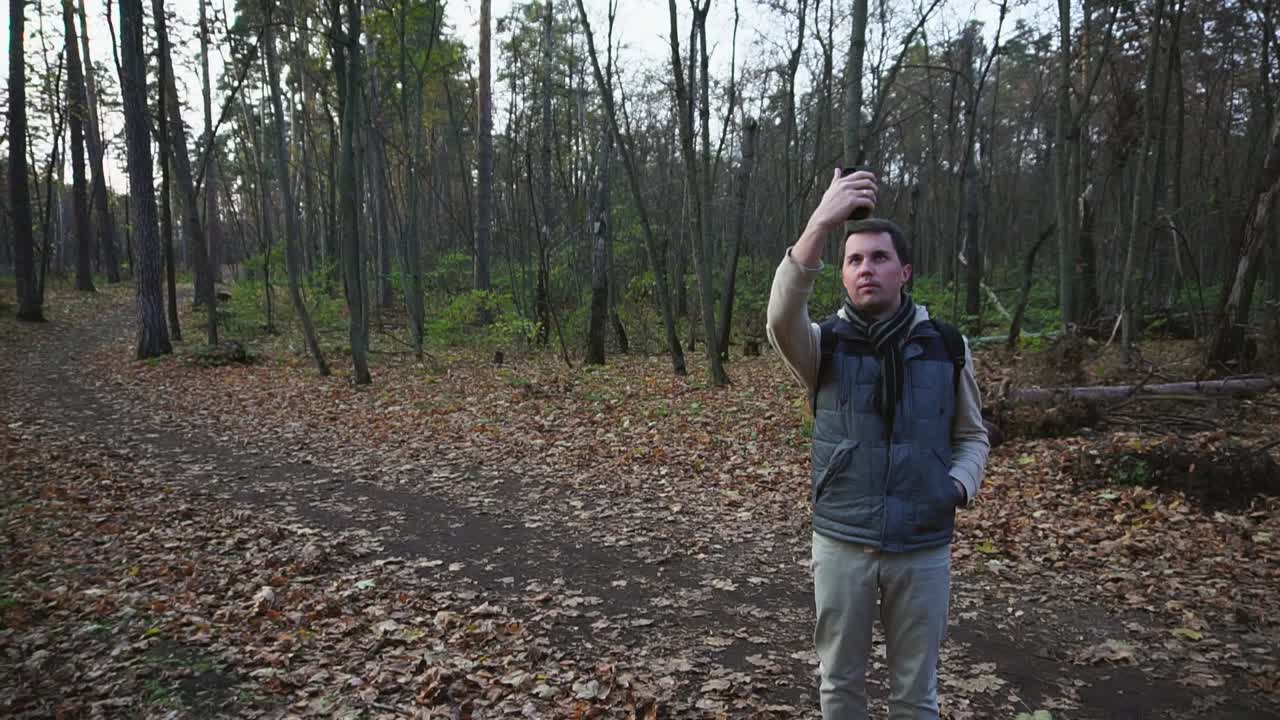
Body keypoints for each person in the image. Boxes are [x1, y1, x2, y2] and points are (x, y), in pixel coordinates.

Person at [766, 169, 990, 720]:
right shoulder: (823, 346)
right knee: (841, 684)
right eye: (854, 260)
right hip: (843, 542)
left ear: (904, 271)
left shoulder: (946, 346)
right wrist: (821, 223)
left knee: (916, 690)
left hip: (924, 546)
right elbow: (780, 317)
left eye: (879, 258)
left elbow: (972, 436)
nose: (866, 268)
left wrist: (956, 487)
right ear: (843, 274)